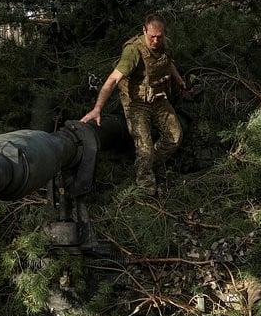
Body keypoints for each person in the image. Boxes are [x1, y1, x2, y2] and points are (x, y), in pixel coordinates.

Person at [80, 13, 187, 197]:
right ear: (144, 30)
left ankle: (145, 165)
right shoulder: (133, 51)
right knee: (144, 147)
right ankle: (145, 190)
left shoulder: (164, 44)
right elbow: (113, 79)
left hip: (158, 98)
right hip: (136, 103)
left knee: (174, 137)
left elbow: (168, 63)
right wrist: (98, 108)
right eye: (151, 36)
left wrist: (180, 82)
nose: (155, 40)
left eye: (159, 36)